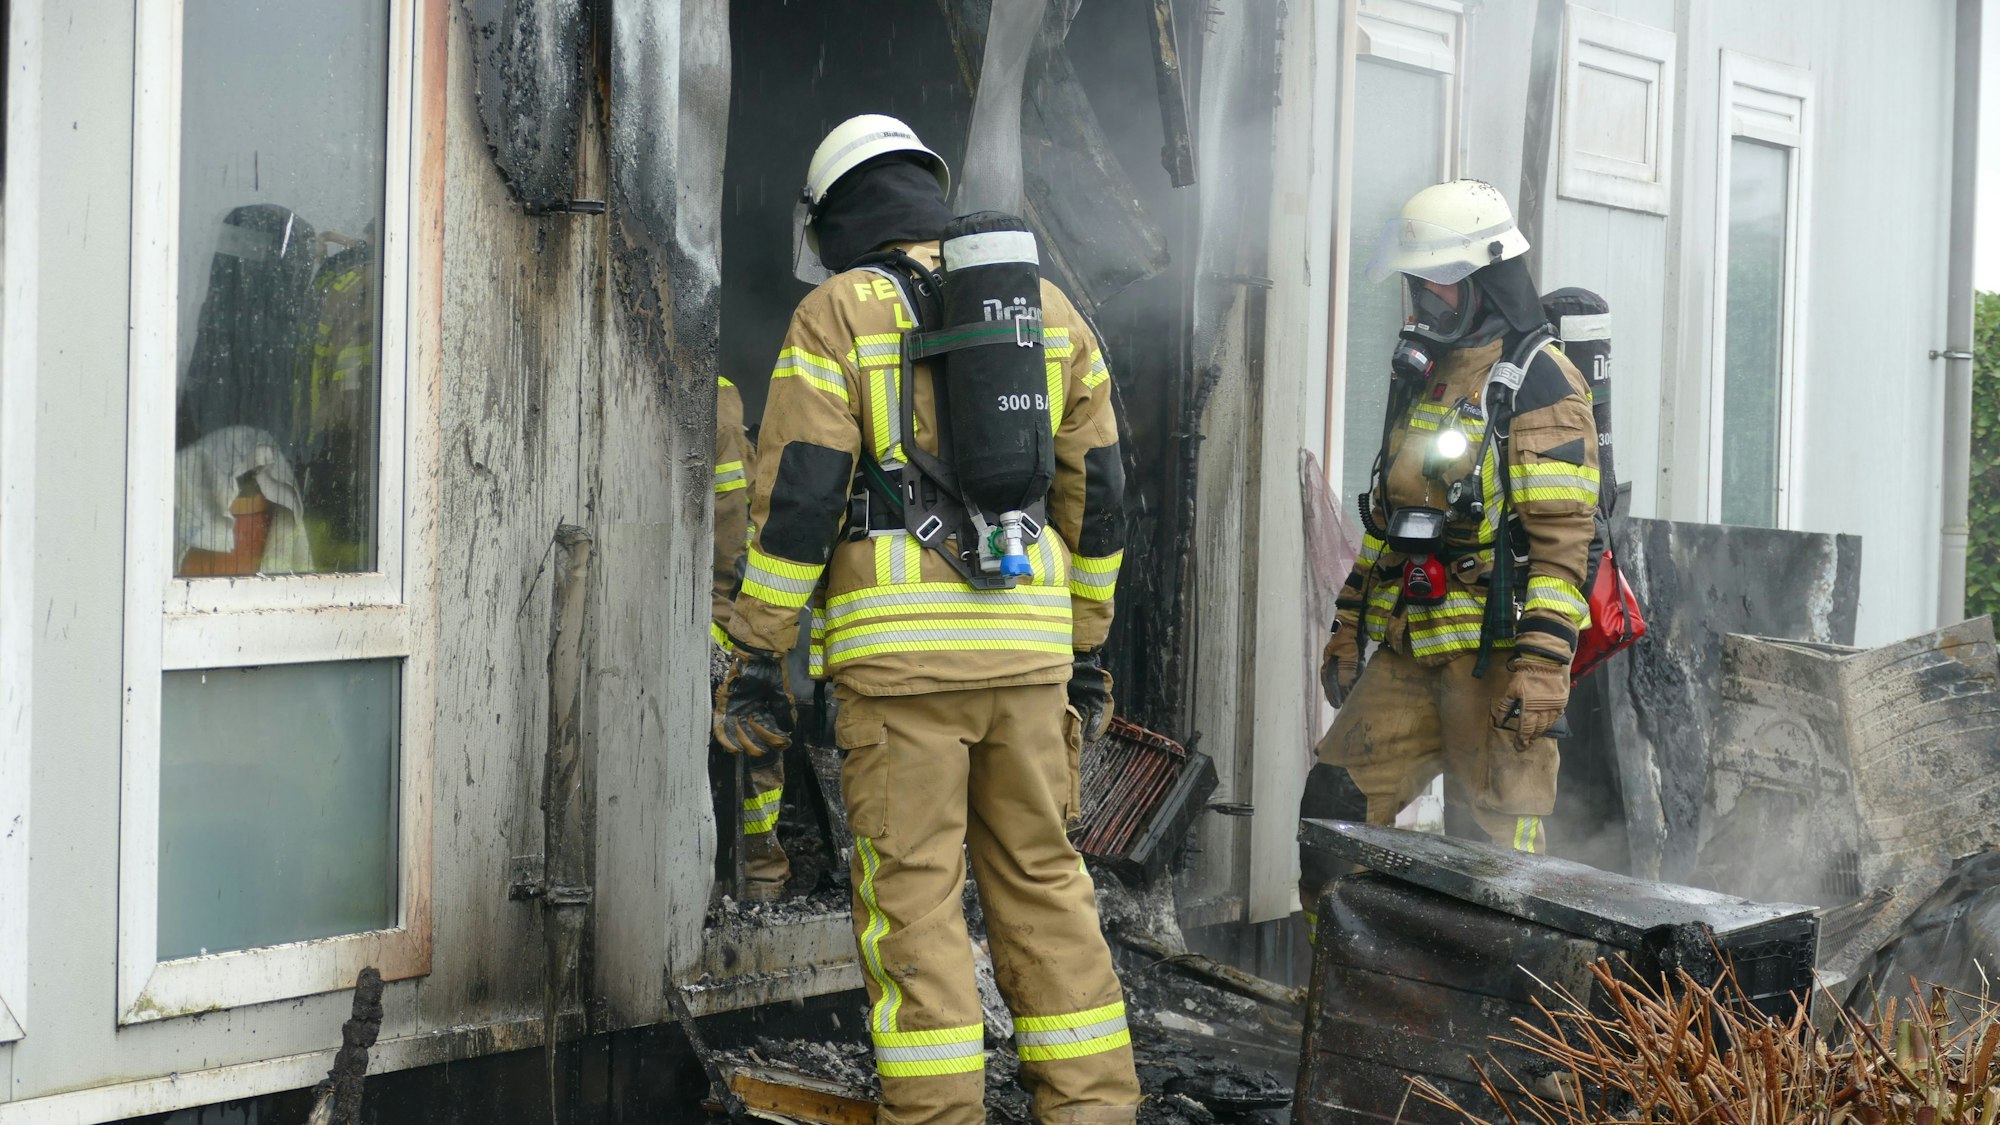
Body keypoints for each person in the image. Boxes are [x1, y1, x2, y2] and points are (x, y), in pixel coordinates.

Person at [713, 114, 1138, 1125]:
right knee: (1045, 884)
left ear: (834, 216)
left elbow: (801, 501)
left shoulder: (835, 314)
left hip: (899, 672)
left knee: (913, 906)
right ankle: (1092, 1109)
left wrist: (758, 650)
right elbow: (1101, 496)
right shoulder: (1048, 310)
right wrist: (1083, 644)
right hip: (1028, 659)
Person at [1298, 179, 1599, 925]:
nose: (1423, 299)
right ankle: (1347, 978)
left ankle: (1507, 995)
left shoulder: (1539, 383)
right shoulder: (1426, 372)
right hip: (1413, 647)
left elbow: (1563, 550)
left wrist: (1541, 668)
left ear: (1483, 280)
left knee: (1494, 870)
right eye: (1418, 283)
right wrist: (1349, 622)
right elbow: (1390, 519)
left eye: (1438, 281)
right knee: (1332, 810)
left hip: (1494, 663)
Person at [709, 374, 791, 901]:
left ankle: (749, 883)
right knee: (757, 749)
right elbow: (733, 537)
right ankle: (759, 881)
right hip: (732, 620)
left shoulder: (712, 401)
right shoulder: (719, 402)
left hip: (716, 617)